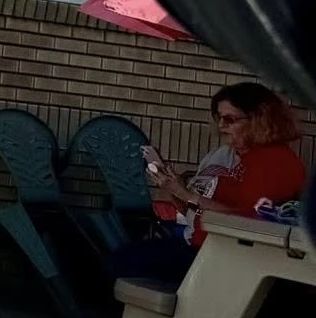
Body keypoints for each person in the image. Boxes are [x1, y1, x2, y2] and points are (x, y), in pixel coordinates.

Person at [121, 83, 307, 284]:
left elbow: (250, 222)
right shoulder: (244, 158)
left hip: (227, 261)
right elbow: (198, 213)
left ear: (259, 119)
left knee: (128, 260)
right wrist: (172, 189)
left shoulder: (276, 162)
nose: (221, 126)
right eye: (219, 118)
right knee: (127, 255)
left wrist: (188, 195)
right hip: (205, 249)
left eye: (229, 119)